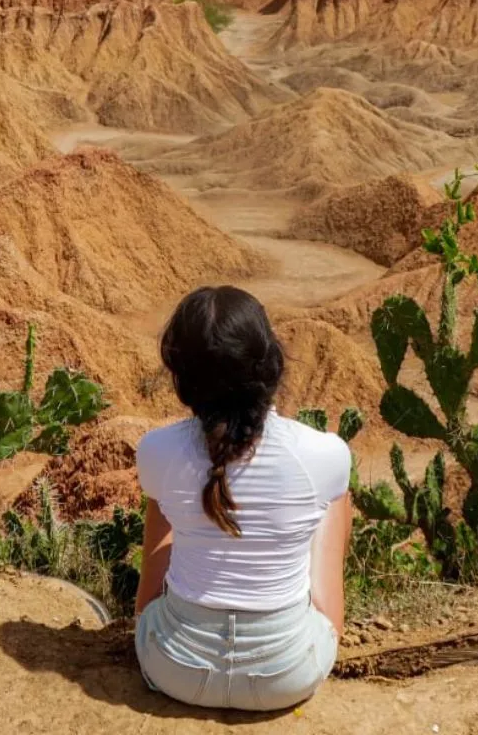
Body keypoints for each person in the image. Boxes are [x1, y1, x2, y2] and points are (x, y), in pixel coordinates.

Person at [134, 286, 353, 712]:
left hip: (172, 667)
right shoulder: (323, 454)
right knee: (335, 496)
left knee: (162, 499)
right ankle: (327, 623)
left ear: (180, 378)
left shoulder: (155, 450)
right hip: (287, 676)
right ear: (271, 365)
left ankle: (148, 613)